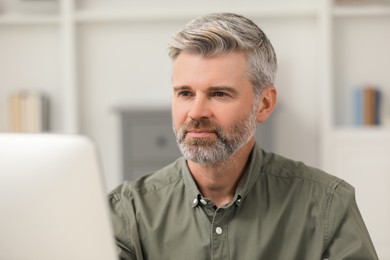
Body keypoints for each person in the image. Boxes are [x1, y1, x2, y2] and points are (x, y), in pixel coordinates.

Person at [109, 12, 378, 259]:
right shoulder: (127, 211)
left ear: (264, 104)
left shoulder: (329, 204)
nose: (196, 112)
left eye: (219, 94)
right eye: (185, 93)